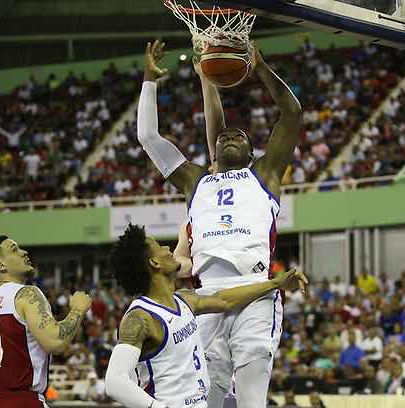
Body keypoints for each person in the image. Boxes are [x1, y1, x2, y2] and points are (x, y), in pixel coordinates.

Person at [136, 40, 302, 408]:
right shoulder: (196, 180)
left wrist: (260, 68)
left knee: (250, 399)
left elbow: (291, 114)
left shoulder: (264, 175)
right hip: (206, 296)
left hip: (256, 289)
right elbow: (148, 138)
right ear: (213, 153)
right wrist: (149, 78)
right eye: (224, 136)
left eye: (239, 136)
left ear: (252, 153)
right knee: (205, 399)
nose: (229, 136)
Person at [105, 225, 307, 408]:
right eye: (159, 246)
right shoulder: (140, 318)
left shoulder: (183, 300)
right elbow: (114, 382)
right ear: (155, 262)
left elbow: (224, 300)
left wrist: (275, 283)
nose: (168, 248)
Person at [0, 235, 92, 408]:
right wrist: (78, 309)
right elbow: (55, 342)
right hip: (21, 400)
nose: (24, 252)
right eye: (15, 249)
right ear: (0, 265)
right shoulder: (27, 294)